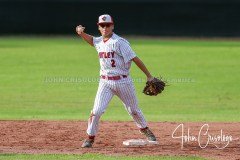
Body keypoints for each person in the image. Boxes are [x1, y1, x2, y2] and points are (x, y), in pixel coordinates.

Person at [76, 14, 157, 148]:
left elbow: (135, 59)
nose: (105, 28)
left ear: (112, 26)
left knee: (134, 110)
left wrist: (149, 76)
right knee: (96, 111)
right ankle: (90, 137)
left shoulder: (120, 42)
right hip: (105, 83)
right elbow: (92, 41)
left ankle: (145, 129)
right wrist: (81, 33)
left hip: (123, 82)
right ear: (99, 27)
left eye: (108, 25)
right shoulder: (99, 41)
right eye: (102, 25)